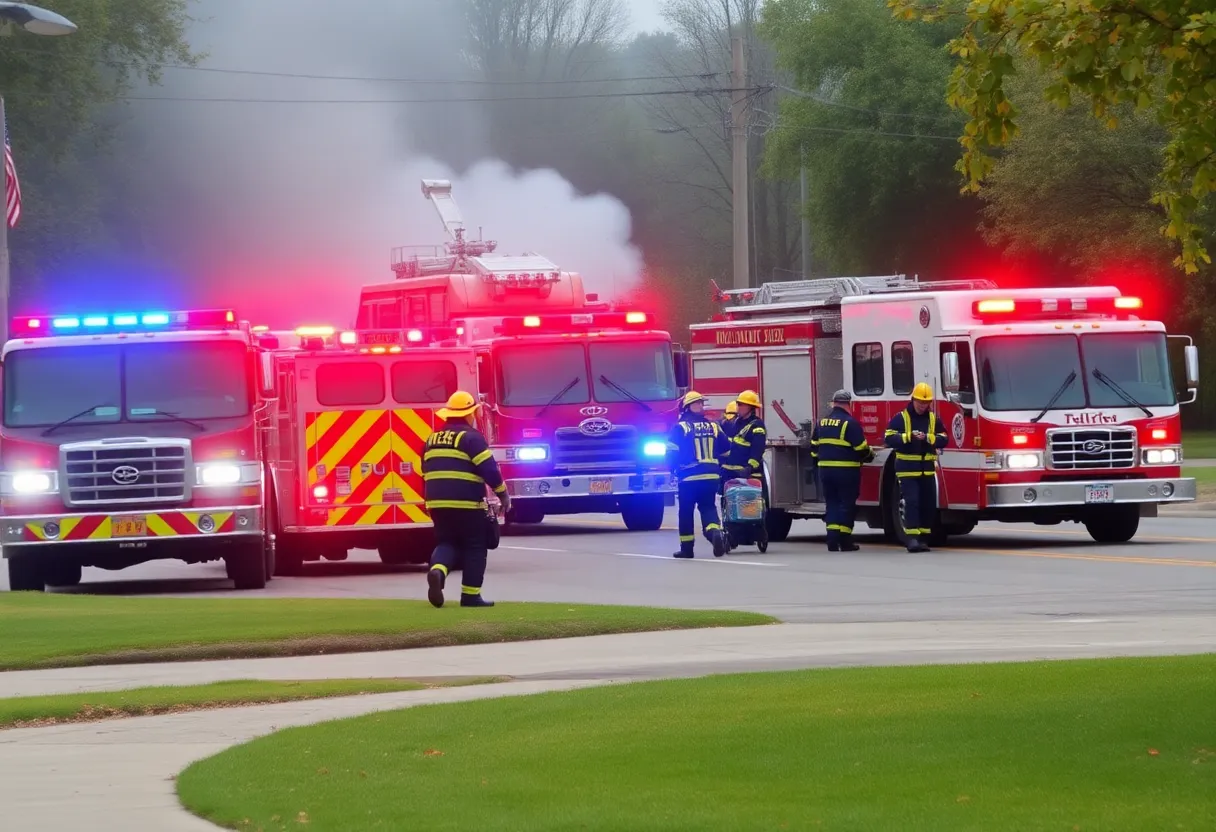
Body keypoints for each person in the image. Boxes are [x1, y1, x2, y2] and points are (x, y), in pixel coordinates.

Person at [422, 390, 511, 608]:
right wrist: (503, 494)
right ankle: (470, 596)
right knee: (474, 546)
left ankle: (438, 571)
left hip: (437, 503)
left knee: (447, 542)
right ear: (470, 414)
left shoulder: (431, 439)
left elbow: (425, 471)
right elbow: (489, 469)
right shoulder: (471, 438)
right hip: (467, 504)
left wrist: (429, 502)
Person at [884, 382, 948, 553]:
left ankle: (923, 538)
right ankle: (911, 539)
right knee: (912, 502)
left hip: (927, 469)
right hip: (906, 468)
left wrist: (928, 438)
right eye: (920, 401)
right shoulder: (901, 418)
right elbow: (889, 437)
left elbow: (944, 438)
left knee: (928, 504)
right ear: (913, 399)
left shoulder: (934, 419)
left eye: (926, 402)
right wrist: (907, 437)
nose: (922, 405)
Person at [809, 390, 874, 552]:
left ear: (833, 403)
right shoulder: (850, 423)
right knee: (846, 504)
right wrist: (870, 455)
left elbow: (814, 449)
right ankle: (845, 541)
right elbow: (861, 449)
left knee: (831, 504)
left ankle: (832, 540)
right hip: (846, 472)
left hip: (825, 471)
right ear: (848, 404)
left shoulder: (821, 423)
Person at [666, 390, 728, 558]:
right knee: (708, 506)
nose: (700, 405)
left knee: (686, 511)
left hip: (688, 477)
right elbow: (726, 449)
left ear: (685, 408)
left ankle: (687, 549)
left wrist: (672, 469)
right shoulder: (714, 426)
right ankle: (714, 532)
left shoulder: (680, 428)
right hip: (711, 476)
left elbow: (671, 452)